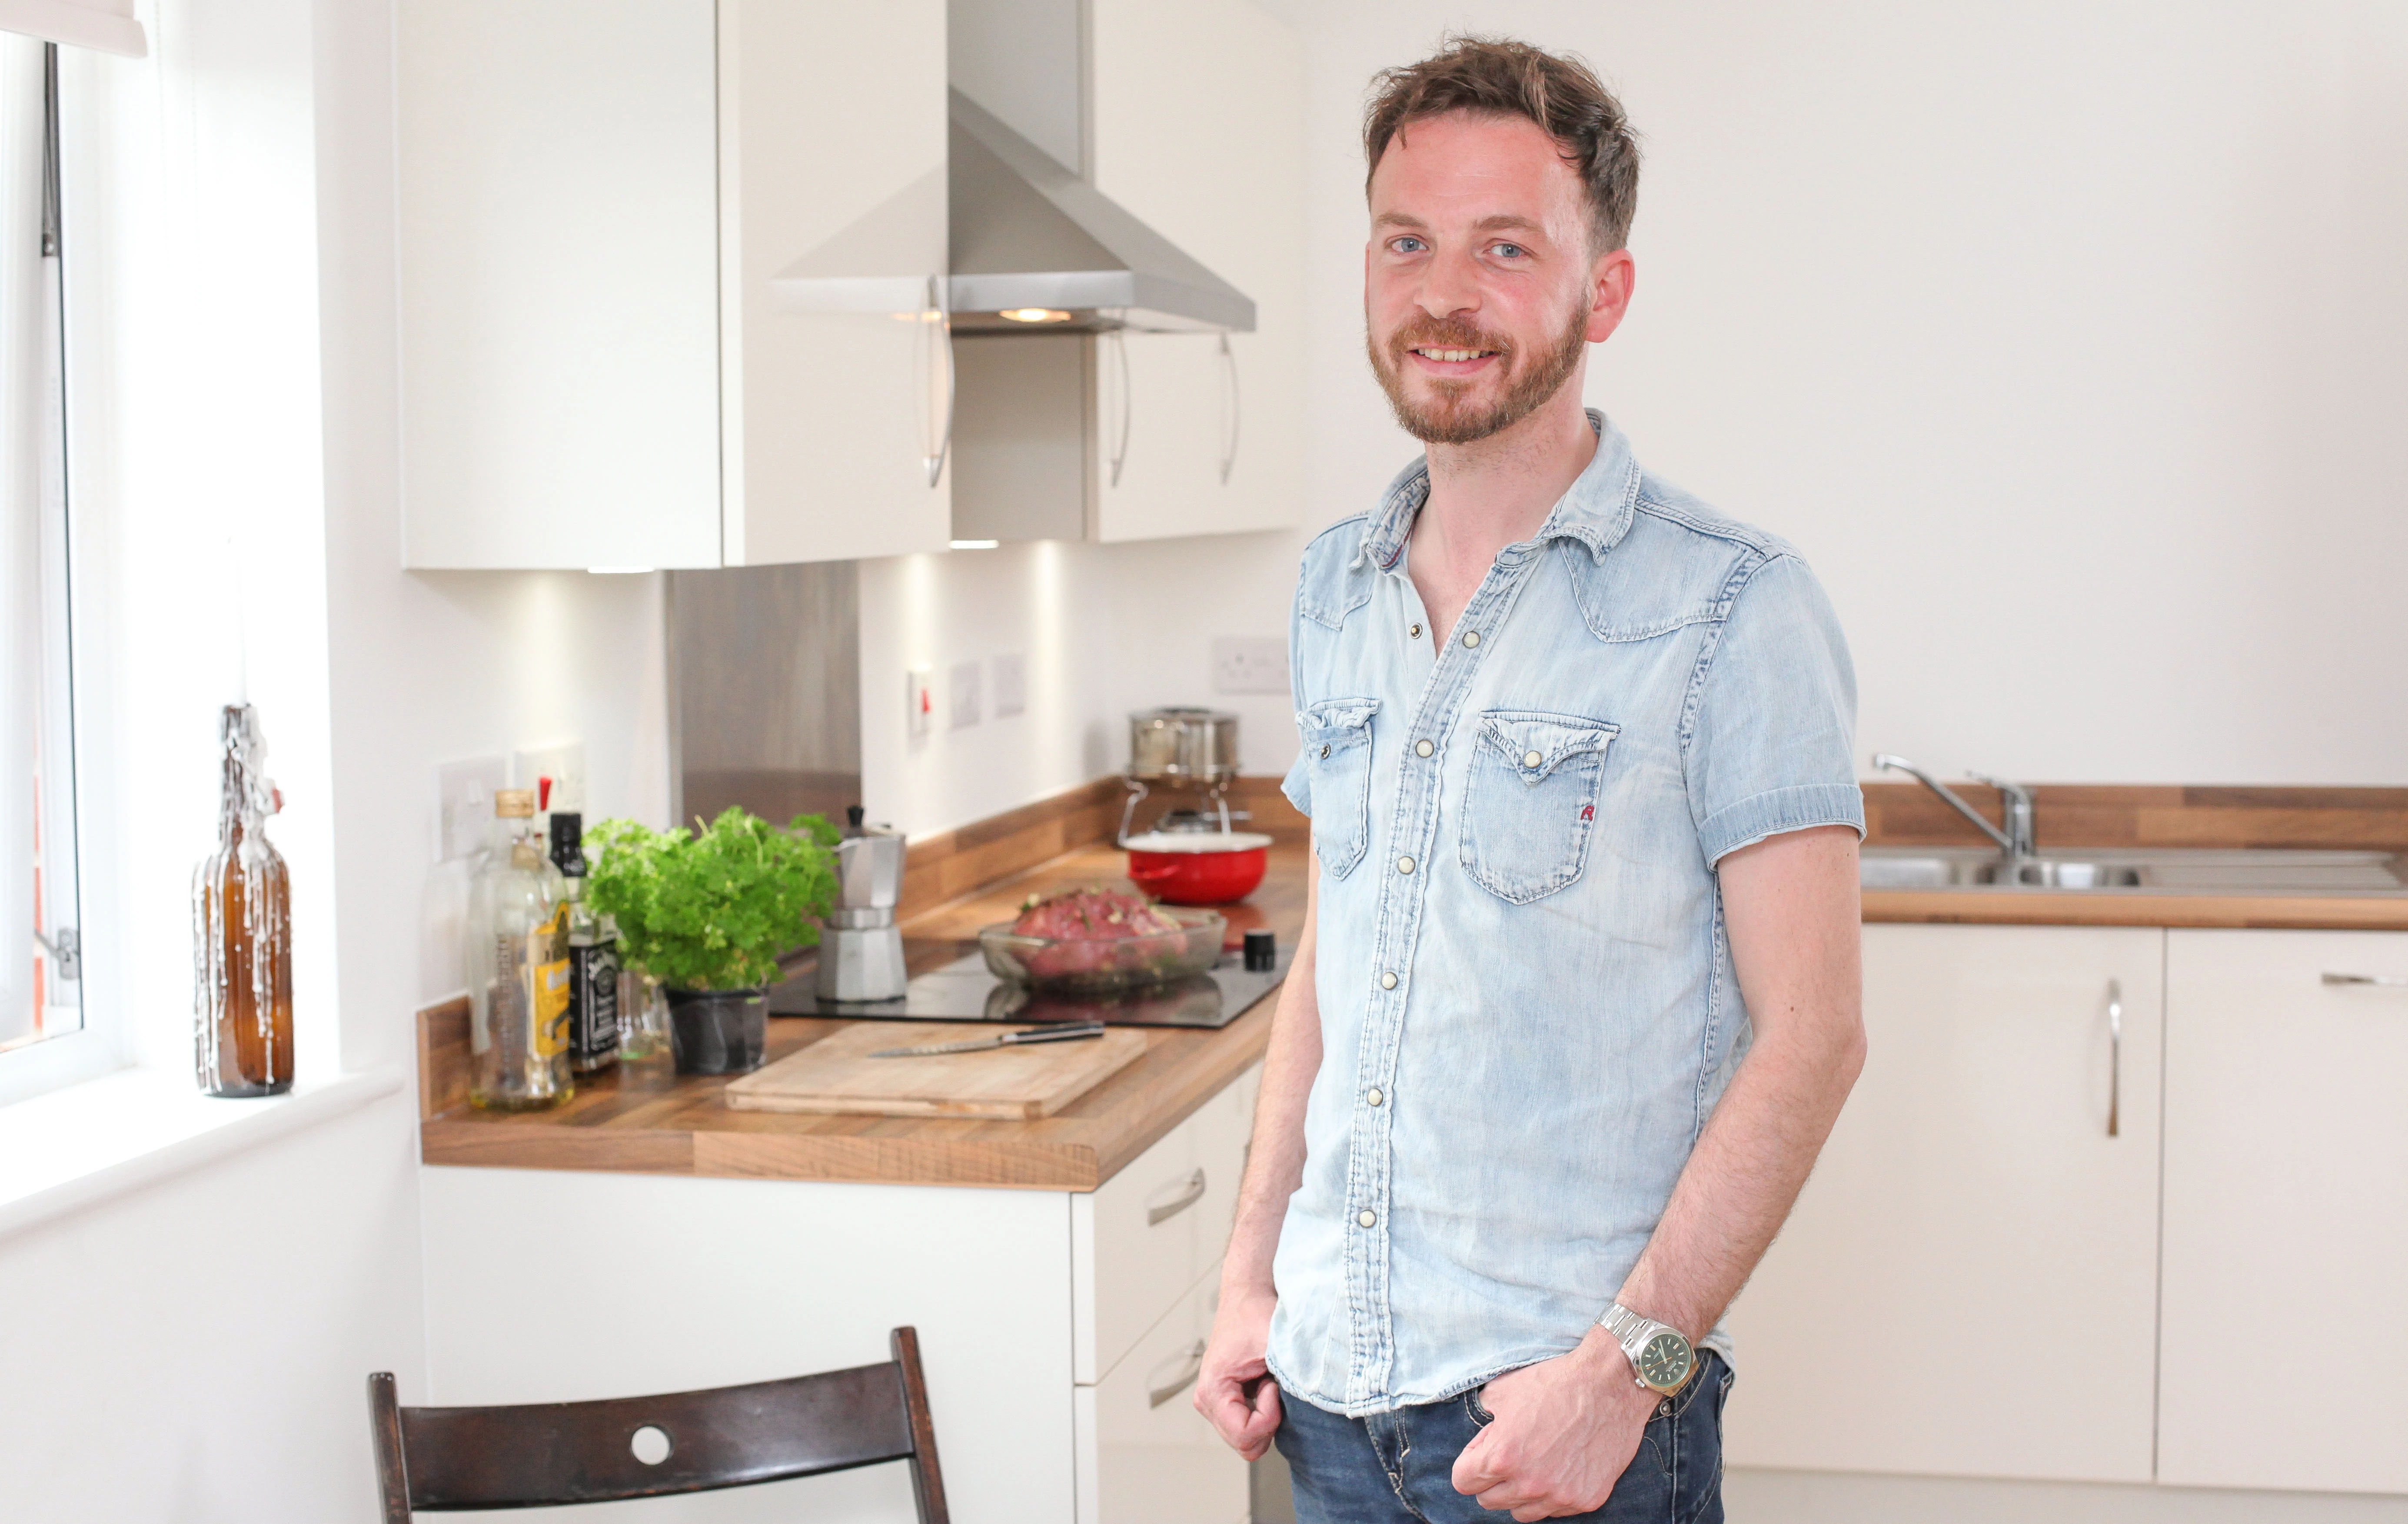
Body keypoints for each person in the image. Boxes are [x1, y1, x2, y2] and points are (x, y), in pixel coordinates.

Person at [1194, 35, 1868, 1524]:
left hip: (1558, 1427)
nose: (1443, 294)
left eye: (1505, 247)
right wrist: (1250, 1277)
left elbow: (1812, 1037)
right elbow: (1333, 957)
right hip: (1319, 1400)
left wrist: (1621, 1377)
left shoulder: (1733, 608)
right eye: (1406, 242)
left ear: (1602, 291)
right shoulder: (1331, 587)